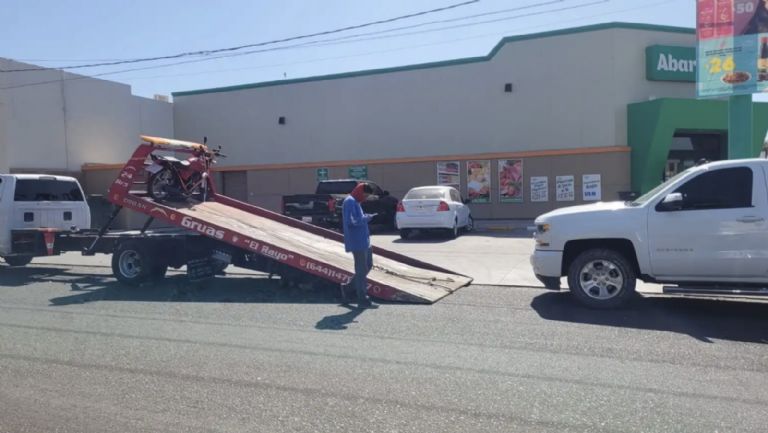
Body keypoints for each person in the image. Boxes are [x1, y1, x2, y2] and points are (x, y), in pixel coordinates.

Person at [341, 182, 377, 308]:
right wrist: (365, 218)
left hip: (364, 240)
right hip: (357, 241)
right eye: (365, 195)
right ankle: (362, 298)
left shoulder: (356, 201)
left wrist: (364, 217)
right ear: (360, 191)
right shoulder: (350, 202)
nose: (366, 198)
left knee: (368, 265)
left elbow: (356, 219)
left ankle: (347, 288)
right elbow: (351, 221)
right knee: (361, 270)